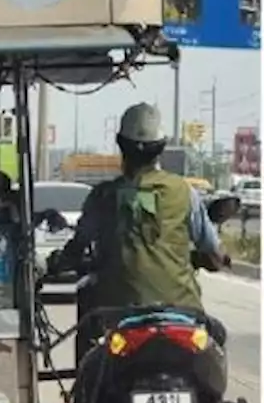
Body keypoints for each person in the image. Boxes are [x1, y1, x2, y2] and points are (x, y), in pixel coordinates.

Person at [48, 101, 229, 312]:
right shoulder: (184, 192)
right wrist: (218, 258)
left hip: (116, 312)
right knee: (217, 335)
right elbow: (215, 254)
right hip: (182, 309)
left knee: (88, 331)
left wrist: (60, 262)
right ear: (161, 147)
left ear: (121, 144)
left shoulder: (102, 196)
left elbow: (77, 248)